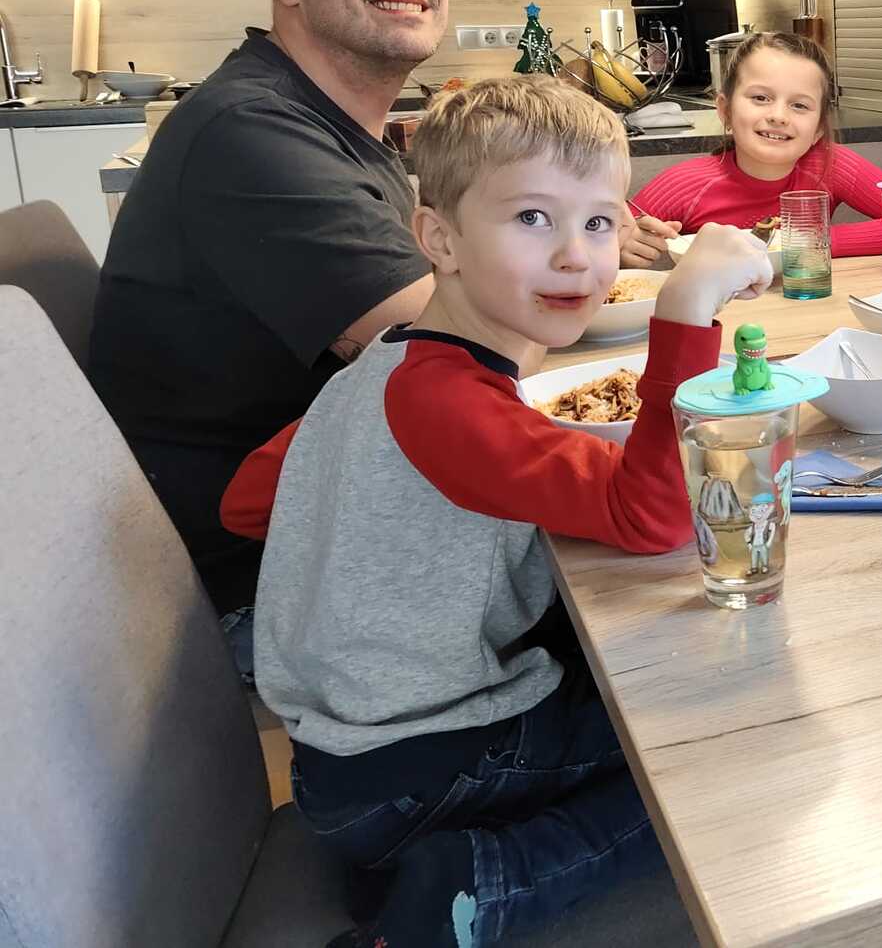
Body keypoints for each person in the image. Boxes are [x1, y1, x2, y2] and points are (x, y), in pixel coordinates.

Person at [221, 75, 769, 947]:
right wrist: (685, 311)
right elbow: (656, 519)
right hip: (415, 763)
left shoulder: (390, 364)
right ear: (439, 238)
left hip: (346, 753)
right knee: (733, 744)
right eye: (532, 218)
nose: (576, 256)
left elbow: (248, 499)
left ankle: (433, 857)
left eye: (600, 222)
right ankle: (482, 883)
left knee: (641, 698)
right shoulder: (450, 404)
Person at [88, 0, 441, 616]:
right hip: (263, 595)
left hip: (333, 528)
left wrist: (556, 237)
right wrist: (570, 253)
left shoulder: (321, 119)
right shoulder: (248, 132)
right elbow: (448, 354)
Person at [623, 32, 882, 267]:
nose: (778, 116)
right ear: (725, 110)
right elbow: (608, 230)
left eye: (799, 105)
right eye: (761, 98)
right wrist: (621, 242)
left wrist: (804, 242)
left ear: (818, 128)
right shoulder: (686, 183)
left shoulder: (830, 164)